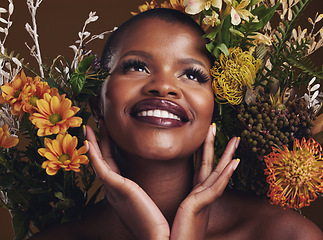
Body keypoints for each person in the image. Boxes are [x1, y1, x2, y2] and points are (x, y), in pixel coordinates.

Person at [30, 8, 323, 240]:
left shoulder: (284, 235)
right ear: (97, 104)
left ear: (215, 109)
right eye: (137, 66)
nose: (164, 86)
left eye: (192, 75)